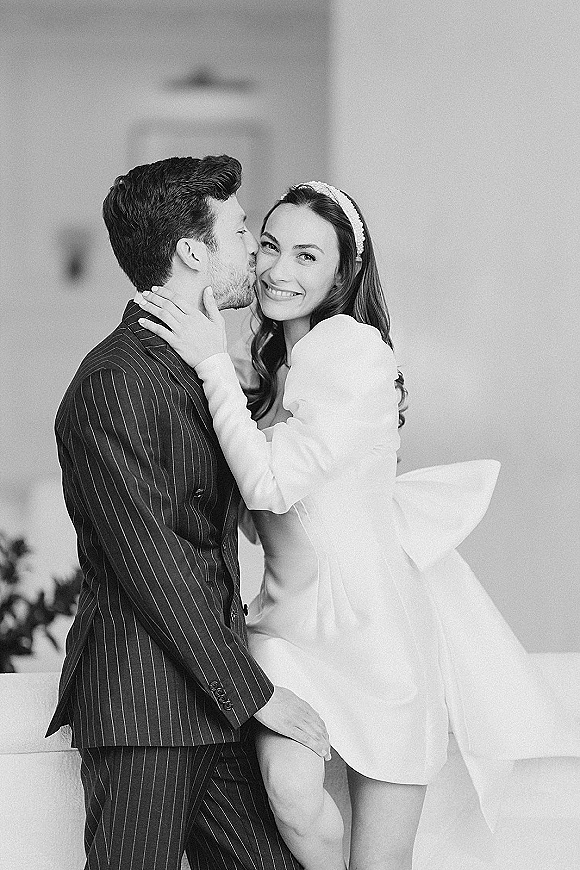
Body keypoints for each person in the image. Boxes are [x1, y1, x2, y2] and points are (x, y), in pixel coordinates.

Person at [135, 179, 580, 870]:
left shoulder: (355, 352)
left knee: (382, 862)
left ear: (342, 273)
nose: (281, 270)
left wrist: (209, 360)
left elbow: (270, 484)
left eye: (308, 257)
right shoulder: (270, 370)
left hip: (378, 642)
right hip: (287, 633)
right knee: (290, 793)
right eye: (271, 246)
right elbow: (256, 521)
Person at [46, 155, 333, 870]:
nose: (257, 258)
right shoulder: (113, 382)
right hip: (145, 707)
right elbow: (157, 569)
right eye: (242, 233)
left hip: (215, 705)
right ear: (192, 252)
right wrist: (257, 694)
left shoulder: (202, 369)